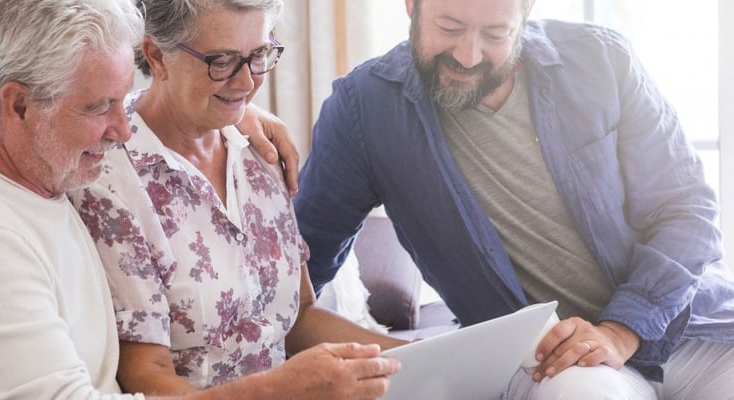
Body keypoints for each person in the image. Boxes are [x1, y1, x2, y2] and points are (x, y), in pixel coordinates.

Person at [0, 0, 399, 399]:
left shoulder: (45, 178)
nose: (122, 131)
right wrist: (278, 390)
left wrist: (229, 108)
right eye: (100, 107)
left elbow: (296, 315)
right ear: (17, 107)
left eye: (257, 55)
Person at [293, 0, 734, 398]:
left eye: (496, 34)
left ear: (525, 13)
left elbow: (687, 211)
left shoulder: (604, 59)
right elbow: (293, 274)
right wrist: (235, 117)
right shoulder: (363, 110)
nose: (468, 55)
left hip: (691, 326)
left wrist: (620, 331)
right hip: (549, 360)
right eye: (449, 27)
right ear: (412, 6)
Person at [68, 0, 404, 398]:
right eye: (222, 60)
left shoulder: (260, 150)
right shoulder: (111, 179)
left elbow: (298, 318)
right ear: (157, 56)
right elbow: (146, 376)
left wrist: (417, 355)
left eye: (259, 55)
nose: (246, 83)